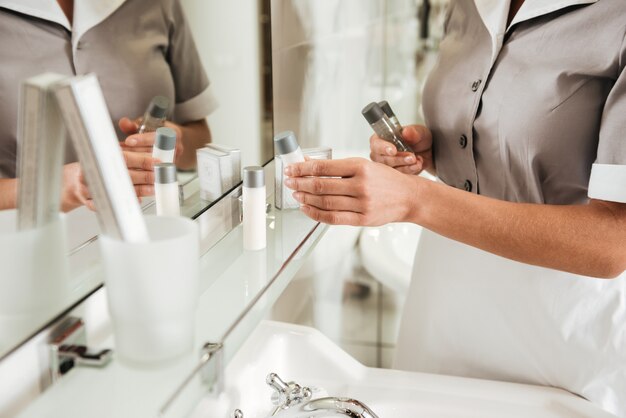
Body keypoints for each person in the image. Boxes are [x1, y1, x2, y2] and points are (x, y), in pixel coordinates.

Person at [284, 0, 626, 416]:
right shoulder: (465, 5)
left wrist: (415, 199)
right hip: (442, 307)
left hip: (559, 333)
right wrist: (435, 151)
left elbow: (612, 241)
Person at [0, 0, 217, 211]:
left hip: (152, 227)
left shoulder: (158, 4)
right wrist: (51, 188)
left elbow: (200, 138)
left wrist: (176, 142)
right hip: (25, 240)